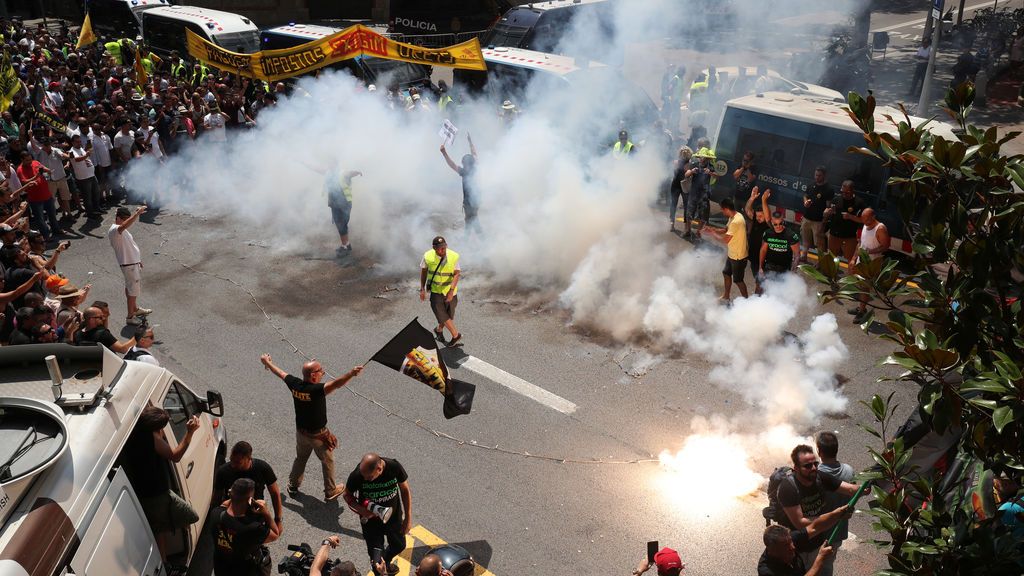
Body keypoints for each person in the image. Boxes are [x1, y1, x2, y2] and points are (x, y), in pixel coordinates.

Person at [259, 353, 363, 501]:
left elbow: (280, 373)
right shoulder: (316, 391)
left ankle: (293, 485)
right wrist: (351, 373)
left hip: (301, 433)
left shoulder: (295, 384)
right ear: (313, 375)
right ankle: (330, 490)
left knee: (301, 458)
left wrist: (267, 363)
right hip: (318, 436)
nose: (323, 373)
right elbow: (337, 384)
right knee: (327, 461)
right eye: (321, 371)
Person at [123, 406, 200, 560]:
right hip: (157, 495)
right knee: (191, 516)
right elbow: (175, 455)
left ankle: (163, 562)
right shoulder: (150, 438)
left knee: (158, 530)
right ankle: (174, 533)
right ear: (155, 428)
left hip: (142, 492)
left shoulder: (133, 432)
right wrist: (190, 432)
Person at [779, 445, 858, 576]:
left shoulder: (819, 477)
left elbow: (850, 489)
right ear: (796, 468)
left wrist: (872, 482)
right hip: (797, 548)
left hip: (817, 542)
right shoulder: (788, 488)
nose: (814, 468)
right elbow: (801, 523)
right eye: (807, 466)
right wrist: (835, 516)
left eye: (815, 463)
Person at [343, 453, 412, 576]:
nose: (365, 479)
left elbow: (405, 490)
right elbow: (347, 495)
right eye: (363, 476)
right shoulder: (358, 475)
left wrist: (408, 518)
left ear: (379, 469)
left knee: (399, 545)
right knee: (377, 562)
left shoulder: (394, 467)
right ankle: (380, 569)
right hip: (372, 524)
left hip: (393, 518)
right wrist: (361, 510)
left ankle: (386, 561)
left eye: (369, 477)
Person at [209, 477, 280, 576]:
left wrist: (233, 496)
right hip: (245, 571)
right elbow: (275, 534)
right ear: (250, 500)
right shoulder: (253, 528)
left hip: (221, 568)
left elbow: (224, 505)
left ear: (230, 493)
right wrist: (266, 512)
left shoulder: (215, 514)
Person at [758, 505, 851, 576]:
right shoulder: (767, 571)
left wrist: (837, 515)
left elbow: (815, 527)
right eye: (786, 546)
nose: (792, 547)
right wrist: (820, 558)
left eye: (790, 542)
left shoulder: (788, 539)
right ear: (772, 551)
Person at [214, 441, 284, 535]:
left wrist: (278, 520)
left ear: (249, 458)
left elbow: (275, 493)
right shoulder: (223, 471)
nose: (233, 465)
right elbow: (216, 498)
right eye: (231, 460)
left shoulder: (262, 468)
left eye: (238, 462)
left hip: (255, 517)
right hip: (232, 516)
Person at [108, 205, 152, 325]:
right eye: (124, 219)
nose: (126, 221)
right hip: (129, 266)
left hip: (131, 264)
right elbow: (123, 226)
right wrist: (136, 214)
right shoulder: (115, 230)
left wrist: (137, 259)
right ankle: (130, 317)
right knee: (133, 292)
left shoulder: (119, 229)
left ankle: (135, 309)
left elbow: (128, 246)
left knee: (130, 289)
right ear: (118, 218)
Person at [815, 432, 855, 557]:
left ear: (819, 451)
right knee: (828, 562)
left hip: (817, 533)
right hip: (837, 532)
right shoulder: (849, 470)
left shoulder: (815, 475)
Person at [848, 208, 890, 323]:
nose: (864, 221)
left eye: (867, 219)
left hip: (871, 264)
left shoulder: (880, 228)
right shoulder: (865, 225)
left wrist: (870, 252)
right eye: (863, 219)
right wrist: (853, 259)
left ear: (873, 217)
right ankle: (861, 307)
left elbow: (885, 246)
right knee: (860, 285)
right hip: (861, 262)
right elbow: (860, 243)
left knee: (865, 287)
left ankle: (862, 311)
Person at [420, 235, 461, 346]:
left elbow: (457, 274)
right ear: (434, 248)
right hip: (436, 291)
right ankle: (456, 335)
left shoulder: (454, 256)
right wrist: (422, 289)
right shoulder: (427, 256)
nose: (442, 250)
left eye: (444, 247)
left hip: (450, 292)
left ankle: (438, 330)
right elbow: (424, 272)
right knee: (442, 315)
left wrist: (451, 291)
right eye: (439, 248)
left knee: (448, 316)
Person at [707, 197, 748, 301]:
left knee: (738, 280)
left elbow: (725, 240)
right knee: (726, 273)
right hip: (732, 254)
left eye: (722, 209)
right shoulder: (734, 216)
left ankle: (747, 301)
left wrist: (712, 234)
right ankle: (726, 296)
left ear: (726, 209)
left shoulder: (736, 221)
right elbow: (726, 229)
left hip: (738, 256)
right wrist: (713, 229)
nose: (721, 211)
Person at [16, 151, 62, 239]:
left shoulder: (35, 162)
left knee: (52, 214)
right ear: (22, 160)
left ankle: (56, 230)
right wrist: (35, 177)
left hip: (47, 195)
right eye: (27, 160)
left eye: (30, 159)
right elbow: (24, 182)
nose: (30, 162)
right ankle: (46, 236)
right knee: (40, 219)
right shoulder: (20, 169)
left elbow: (42, 167)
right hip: (35, 199)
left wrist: (47, 170)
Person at [759, 190, 801, 279]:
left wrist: (793, 271)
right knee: (762, 286)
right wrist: (760, 267)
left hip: (784, 269)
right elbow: (763, 250)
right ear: (772, 222)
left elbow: (797, 255)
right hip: (769, 267)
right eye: (775, 224)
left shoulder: (791, 235)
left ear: (783, 221)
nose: (778, 226)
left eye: (780, 223)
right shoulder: (768, 233)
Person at [440, 134, 479, 229]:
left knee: (471, 221)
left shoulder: (464, 172)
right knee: (472, 219)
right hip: (476, 201)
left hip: (468, 203)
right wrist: (470, 142)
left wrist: (444, 153)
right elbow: (474, 153)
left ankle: (474, 236)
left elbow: (452, 164)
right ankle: (473, 235)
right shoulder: (475, 168)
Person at [823, 180, 865, 264]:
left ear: (853, 191)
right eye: (842, 192)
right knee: (831, 257)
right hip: (834, 235)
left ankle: (850, 273)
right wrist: (826, 212)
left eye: (847, 193)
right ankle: (831, 271)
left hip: (849, 237)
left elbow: (863, 220)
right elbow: (827, 212)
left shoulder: (858, 202)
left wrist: (850, 217)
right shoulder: (836, 199)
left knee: (851, 260)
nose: (844, 194)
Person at [325, 167, 361, 254]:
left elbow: (349, 173)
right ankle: (346, 245)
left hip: (343, 204)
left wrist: (357, 172)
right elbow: (317, 169)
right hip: (336, 204)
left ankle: (345, 247)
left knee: (341, 225)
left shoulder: (341, 173)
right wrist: (303, 163)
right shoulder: (329, 173)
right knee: (341, 225)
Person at [683, 147, 715, 239]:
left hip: (704, 194)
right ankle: (688, 230)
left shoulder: (710, 166)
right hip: (693, 193)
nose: (702, 159)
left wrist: (710, 173)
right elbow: (686, 175)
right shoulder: (694, 164)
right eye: (701, 157)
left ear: (707, 158)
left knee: (702, 214)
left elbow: (717, 177)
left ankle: (698, 232)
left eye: (704, 157)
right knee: (689, 212)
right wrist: (692, 171)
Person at [801, 167, 830, 262]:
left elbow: (828, 206)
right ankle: (804, 256)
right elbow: (805, 195)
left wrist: (824, 221)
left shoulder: (828, 189)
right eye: (816, 175)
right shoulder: (811, 185)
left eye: (819, 175)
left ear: (824, 176)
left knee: (819, 243)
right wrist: (806, 202)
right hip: (807, 218)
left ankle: (820, 262)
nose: (817, 177)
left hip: (818, 221)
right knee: (805, 239)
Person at [745, 186, 770, 294]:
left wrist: (764, 201)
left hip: (764, 260)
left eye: (761, 216)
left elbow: (768, 217)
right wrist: (752, 198)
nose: (758, 218)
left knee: (760, 282)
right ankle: (759, 297)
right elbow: (747, 210)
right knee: (758, 281)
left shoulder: (769, 224)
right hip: (753, 258)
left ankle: (757, 299)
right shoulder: (755, 219)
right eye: (757, 216)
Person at [70, 133, 103, 217]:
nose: (79, 143)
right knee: (87, 196)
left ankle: (97, 208)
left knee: (96, 192)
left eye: (80, 141)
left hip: (91, 175)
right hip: (83, 178)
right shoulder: (71, 151)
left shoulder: (81, 148)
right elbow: (76, 159)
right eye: (77, 142)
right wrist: (86, 155)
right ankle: (90, 213)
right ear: (72, 142)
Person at [668, 147, 693, 232]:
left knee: (673, 204)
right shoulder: (690, 164)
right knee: (686, 206)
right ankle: (686, 227)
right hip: (685, 185)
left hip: (675, 184)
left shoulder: (675, 162)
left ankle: (672, 224)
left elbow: (674, 172)